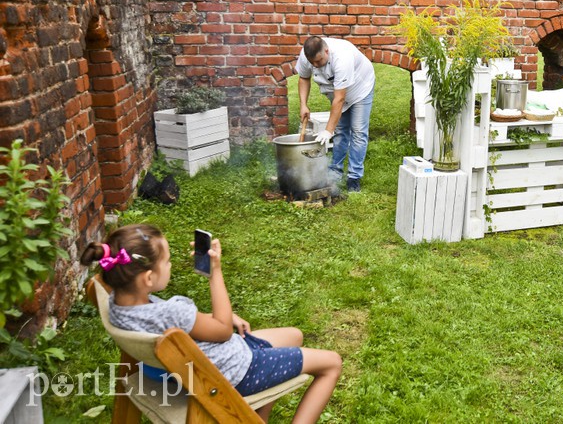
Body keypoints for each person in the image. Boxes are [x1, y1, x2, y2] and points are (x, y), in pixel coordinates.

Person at [80, 225, 342, 423]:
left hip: (198, 364)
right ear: (148, 278)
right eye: (168, 261)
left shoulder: (119, 304)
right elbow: (222, 331)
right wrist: (215, 273)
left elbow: (201, 325)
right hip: (233, 373)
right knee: (331, 363)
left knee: (294, 335)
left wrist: (223, 320)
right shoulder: (173, 313)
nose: (171, 266)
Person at [295, 36, 375, 193]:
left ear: (327, 51)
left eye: (319, 61)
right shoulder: (307, 55)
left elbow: (340, 99)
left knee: (358, 131)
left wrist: (328, 130)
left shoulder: (342, 57)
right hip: (337, 91)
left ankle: (354, 177)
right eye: (313, 63)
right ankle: (335, 173)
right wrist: (303, 105)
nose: (315, 66)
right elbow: (304, 78)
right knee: (340, 132)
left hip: (360, 88)